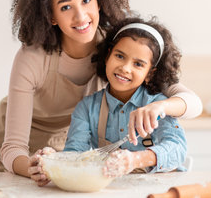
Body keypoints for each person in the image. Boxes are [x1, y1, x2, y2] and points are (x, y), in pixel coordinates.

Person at [0, 0, 202, 185]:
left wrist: (160, 106)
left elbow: (192, 103)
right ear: (51, 16)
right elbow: (13, 147)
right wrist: (32, 166)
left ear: (99, 1)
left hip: (59, 149)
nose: (81, 16)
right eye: (65, 7)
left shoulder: (115, 47)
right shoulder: (33, 57)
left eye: (86, 0)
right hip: (14, 155)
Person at [62, 16, 187, 179]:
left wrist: (136, 160)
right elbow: (74, 156)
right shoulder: (87, 108)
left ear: (149, 73)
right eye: (120, 56)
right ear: (108, 56)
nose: (125, 68)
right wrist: (53, 161)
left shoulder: (157, 104)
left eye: (138, 64)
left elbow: (178, 150)